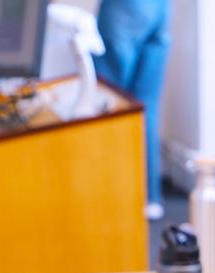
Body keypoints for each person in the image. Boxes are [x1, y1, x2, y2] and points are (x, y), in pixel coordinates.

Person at [94, 0, 171, 221]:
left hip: (125, 7)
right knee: (145, 106)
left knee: (110, 100)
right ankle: (148, 198)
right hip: (160, 8)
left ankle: (109, 195)